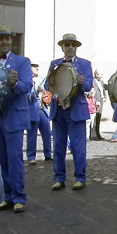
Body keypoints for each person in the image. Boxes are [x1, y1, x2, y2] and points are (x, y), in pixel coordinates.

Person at [0, 26, 32, 214]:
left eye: (7, 38)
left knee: (15, 158)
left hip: (14, 116)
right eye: (0, 39)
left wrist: (14, 83)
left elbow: (26, 87)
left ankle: (19, 197)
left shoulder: (22, 62)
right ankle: (7, 195)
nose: (5, 42)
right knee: (0, 160)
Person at [45, 33, 93, 190]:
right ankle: (59, 178)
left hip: (76, 110)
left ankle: (80, 178)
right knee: (58, 147)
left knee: (78, 148)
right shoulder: (54, 64)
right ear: (62, 47)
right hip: (58, 110)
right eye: (67, 45)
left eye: (73, 45)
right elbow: (47, 86)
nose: (70, 47)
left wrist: (82, 82)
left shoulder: (85, 64)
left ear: (77, 47)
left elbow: (88, 86)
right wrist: (51, 82)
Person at [26, 63, 53, 164]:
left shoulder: (41, 78)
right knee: (32, 134)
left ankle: (48, 154)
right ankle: (31, 157)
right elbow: (27, 97)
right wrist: (36, 92)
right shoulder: (27, 81)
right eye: (35, 68)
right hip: (33, 108)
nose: (37, 69)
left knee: (47, 132)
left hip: (43, 108)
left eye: (37, 68)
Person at [91, 70, 106, 140]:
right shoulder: (92, 81)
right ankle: (93, 135)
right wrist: (95, 101)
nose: (102, 76)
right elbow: (91, 92)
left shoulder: (101, 82)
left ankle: (97, 133)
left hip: (101, 101)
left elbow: (103, 90)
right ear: (96, 74)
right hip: (94, 102)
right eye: (101, 74)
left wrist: (104, 97)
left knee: (98, 117)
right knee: (93, 119)